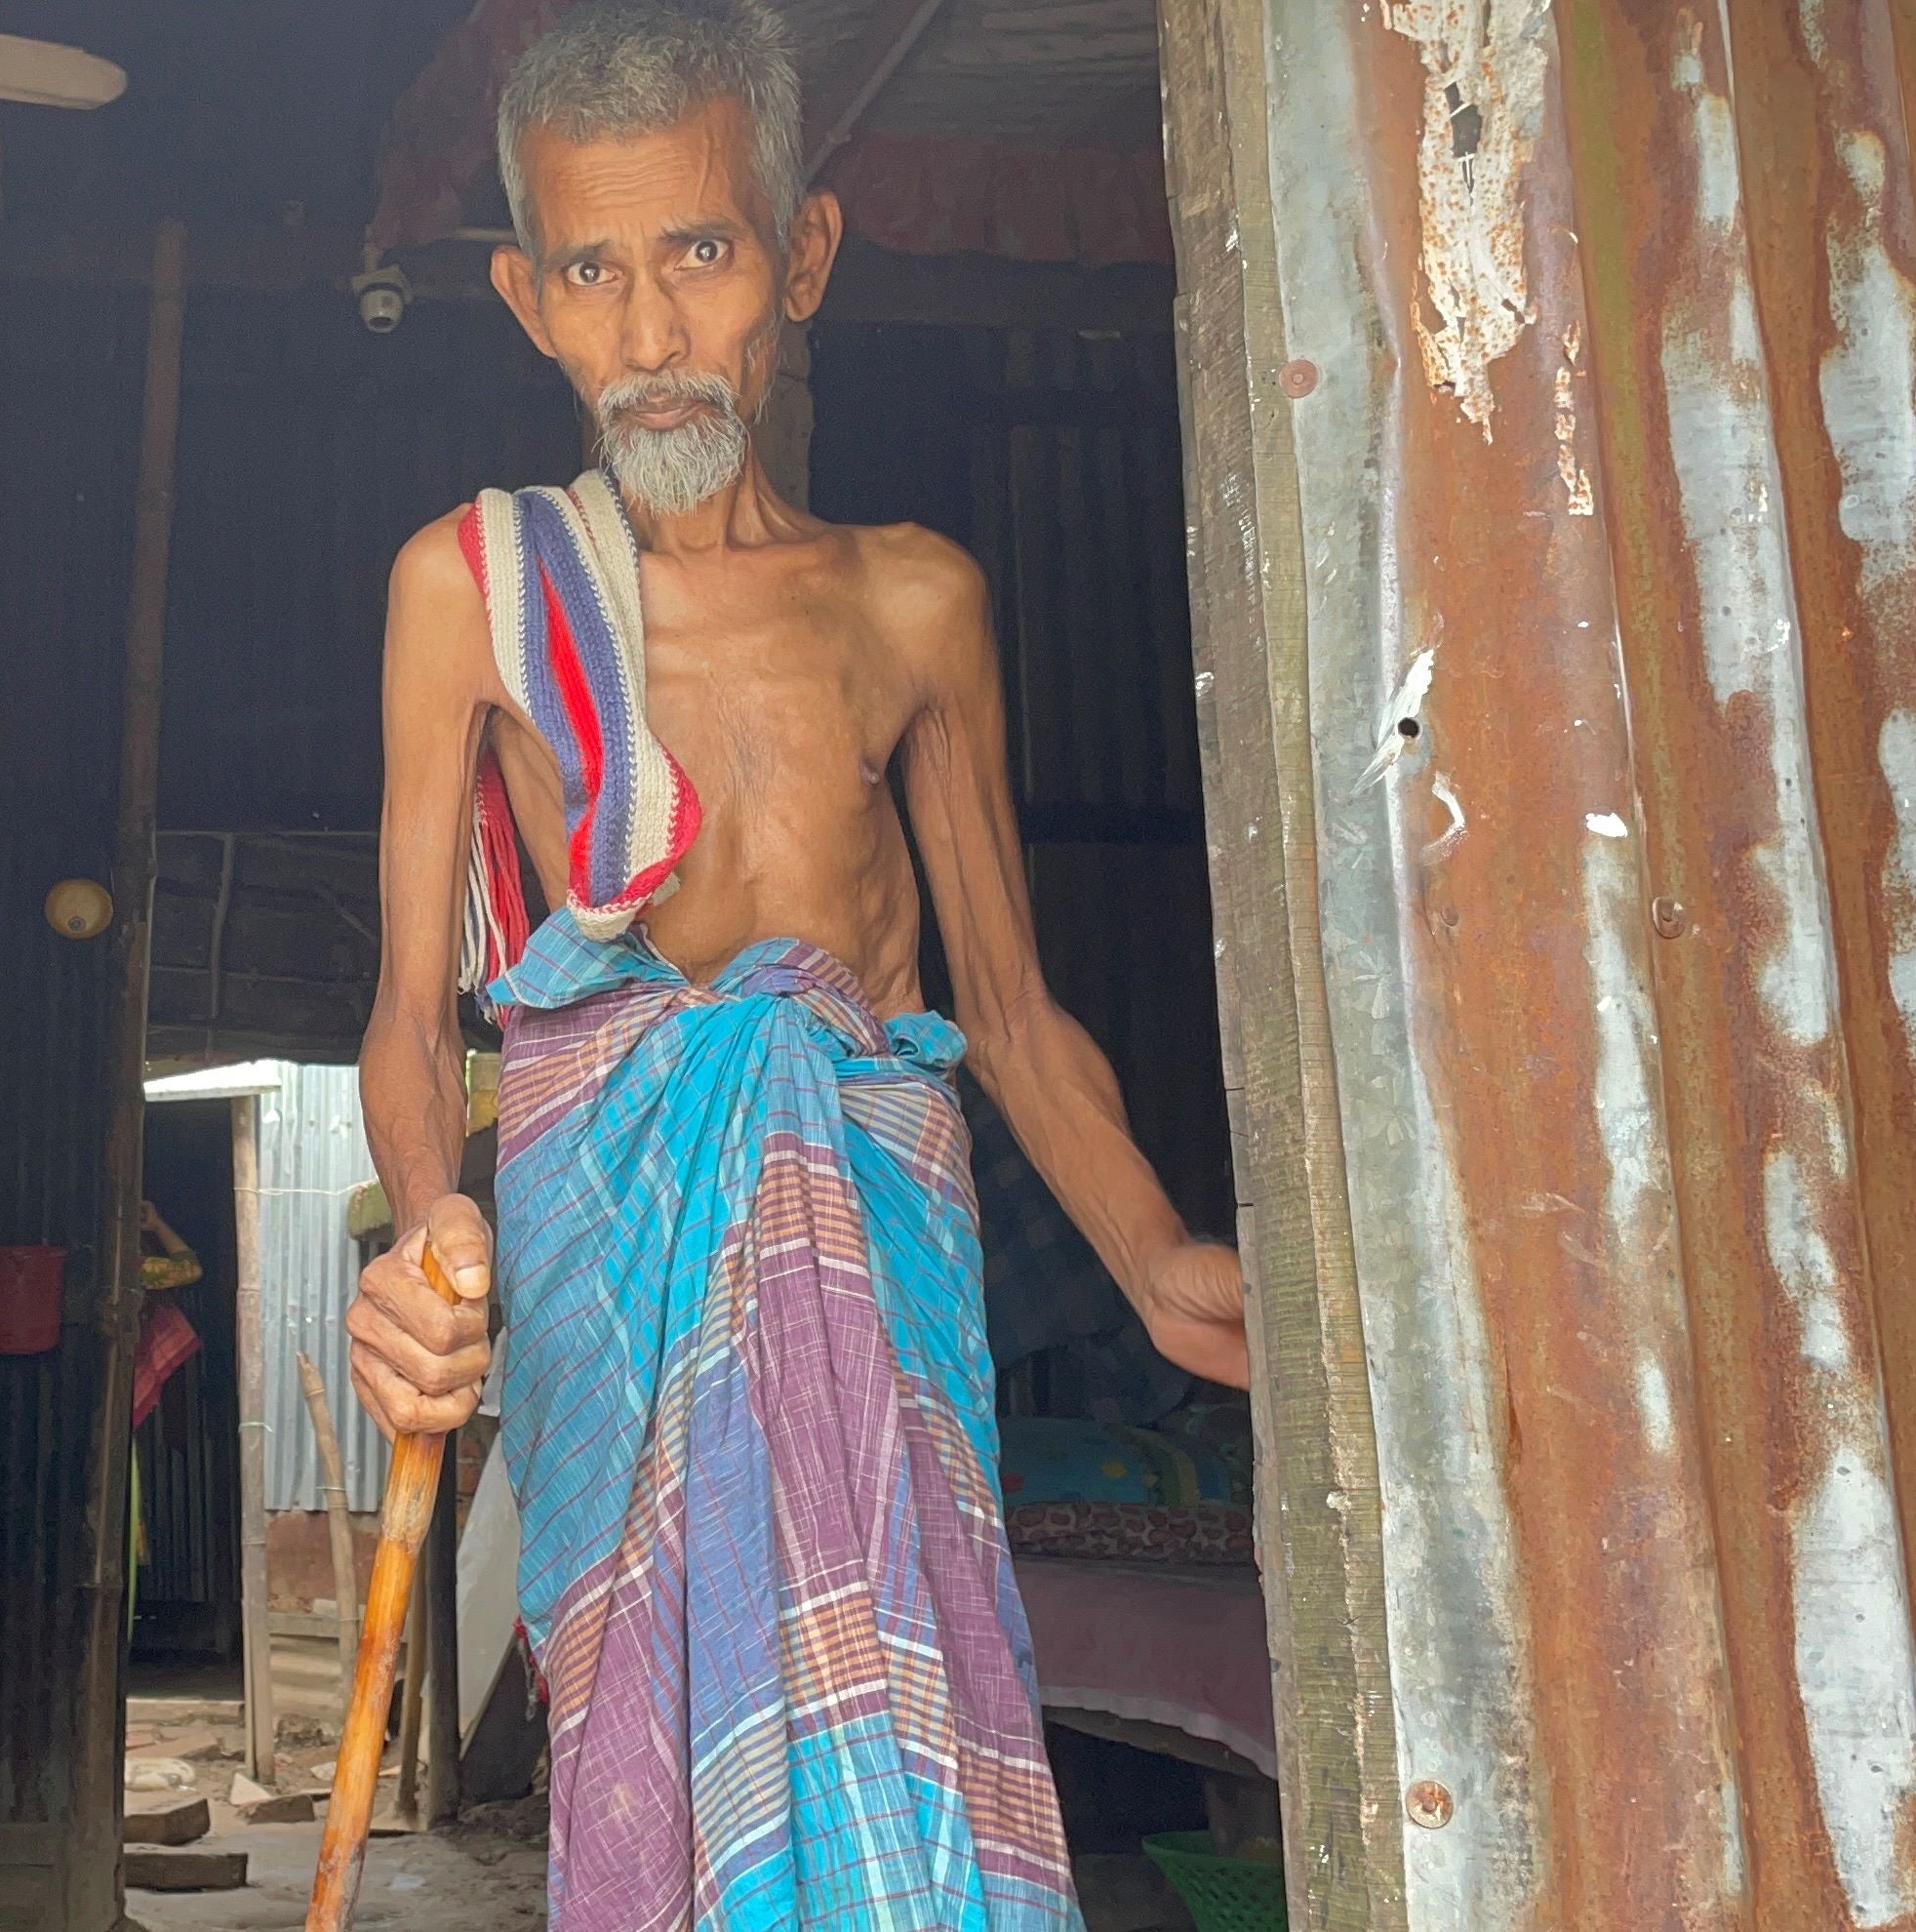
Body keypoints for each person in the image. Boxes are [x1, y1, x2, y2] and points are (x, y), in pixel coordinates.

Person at [345, 3, 1250, 1925]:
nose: (651, 330)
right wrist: (424, 1228)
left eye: (702, 250)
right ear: (525, 299)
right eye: (591, 269)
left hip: (876, 1272)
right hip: (618, 1296)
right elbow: (409, 1024)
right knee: (652, 1782)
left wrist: (1155, 1251)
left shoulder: (912, 602)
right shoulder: (472, 590)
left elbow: (1002, 1011)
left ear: (802, 254)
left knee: (907, 1726)